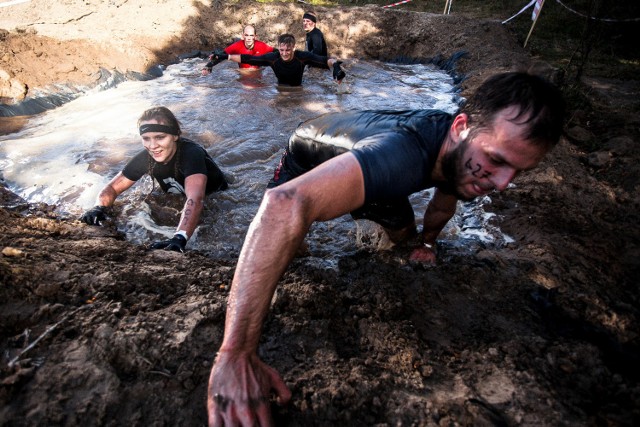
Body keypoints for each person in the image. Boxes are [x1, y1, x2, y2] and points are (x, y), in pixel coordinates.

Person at [206, 71, 565, 426]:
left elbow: (445, 199)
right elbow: (282, 204)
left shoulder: (462, 156)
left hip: (371, 154)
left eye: (518, 171)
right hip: (308, 152)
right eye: (498, 161)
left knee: (404, 235)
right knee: (295, 250)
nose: (503, 183)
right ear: (460, 128)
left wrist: (427, 244)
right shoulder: (403, 158)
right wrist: (236, 353)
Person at [80, 106, 228, 253]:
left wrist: (180, 237)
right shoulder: (146, 158)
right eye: (146, 139)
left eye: (160, 137)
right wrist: (99, 207)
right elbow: (112, 188)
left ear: (175, 135)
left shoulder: (191, 154)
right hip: (181, 194)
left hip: (217, 198)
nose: (152, 146)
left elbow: (196, 199)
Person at [207, 33, 345, 87]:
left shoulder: (302, 57)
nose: (284, 53)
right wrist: (225, 56)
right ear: (278, 48)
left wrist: (336, 67)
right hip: (280, 89)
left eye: (288, 50)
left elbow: (324, 60)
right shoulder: (273, 58)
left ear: (294, 48)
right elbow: (251, 58)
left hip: (298, 90)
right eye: (282, 50)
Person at [201, 25, 274, 75]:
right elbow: (222, 56)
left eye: (251, 35)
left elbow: (278, 53)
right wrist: (208, 66)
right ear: (243, 36)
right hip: (243, 74)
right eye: (246, 35)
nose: (249, 38)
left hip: (257, 73)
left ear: (255, 37)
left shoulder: (262, 46)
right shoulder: (237, 46)